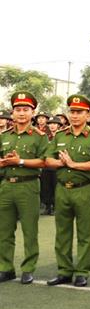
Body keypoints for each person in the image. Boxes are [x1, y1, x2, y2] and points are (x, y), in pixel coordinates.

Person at [44, 95, 90, 288]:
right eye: (72, 112)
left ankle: (82, 272)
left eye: (79, 112)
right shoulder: (60, 135)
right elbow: (48, 159)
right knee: (62, 232)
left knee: (84, 233)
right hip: (62, 189)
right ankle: (64, 270)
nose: (75, 115)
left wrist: (73, 164)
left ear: (88, 114)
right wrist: (60, 162)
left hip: (83, 189)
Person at [0, 92, 48, 285]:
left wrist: (19, 161)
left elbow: (44, 161)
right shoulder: (4, 136)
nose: (21, 113)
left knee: (29, 230)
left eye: (25, 109)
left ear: (32, 112)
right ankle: (5, 268)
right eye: (18, 109)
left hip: (28, 186)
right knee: (4, 230)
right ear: (12, 113)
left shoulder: (39, 137)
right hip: (6, 186)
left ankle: (28, 268)